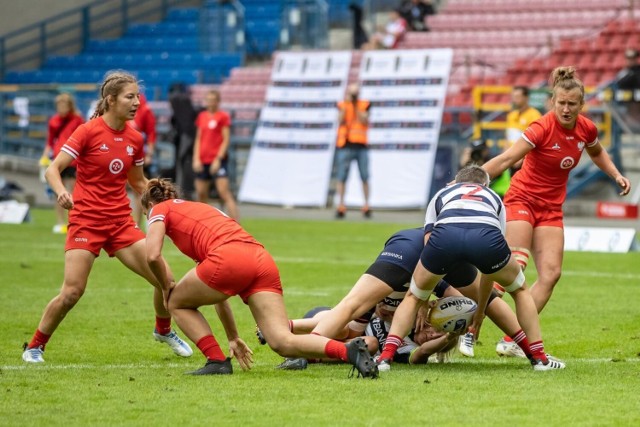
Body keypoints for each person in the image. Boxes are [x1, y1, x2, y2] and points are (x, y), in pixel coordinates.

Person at [22, 70, 192, 364]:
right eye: (130, 97)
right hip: (86, 221)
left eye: (138, 96)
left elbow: (137, 183)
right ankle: (35, 346)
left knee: (166, 279)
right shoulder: (87, 131)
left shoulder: (135, 138)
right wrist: (62, 191)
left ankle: (163, 330)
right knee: (73, 292)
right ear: (111, 100)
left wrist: (163, 204)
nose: (137, 102)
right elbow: (53, 169)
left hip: (120, 223)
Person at [141, 178, 378, 378]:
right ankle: (348, 352)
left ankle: (215, 361)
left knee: (175, 302)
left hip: (228, 257)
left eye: (145, 214)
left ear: (151, 205)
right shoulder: (199, 210)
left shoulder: (160, 209)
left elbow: (152, 255)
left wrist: (165, 287)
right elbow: (217, 295)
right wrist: (233, 337)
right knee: (282, 341)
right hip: (260, 258)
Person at [482, 66, 631, 357]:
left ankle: (512, 339)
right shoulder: (540, 127)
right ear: (552, 101)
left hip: (550, 208)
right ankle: (466, 319)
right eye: (561, 103)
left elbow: (597, 152)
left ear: (581, 105)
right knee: (514, 268)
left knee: (551, 274)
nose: (566, 108)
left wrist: (615, 174)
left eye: (572, 104)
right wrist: (471, 180)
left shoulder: (586, 128)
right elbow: (508, 158)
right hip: (522, 199)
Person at [376, 165, 565, 371]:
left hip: (444, 239)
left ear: (455, 182)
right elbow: (489, 269)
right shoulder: (493, 196)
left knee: (412, 297)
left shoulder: (441, 193)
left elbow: (429, 240)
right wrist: (480, 311)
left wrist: (423, 292)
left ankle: (385, 358)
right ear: (485, 184)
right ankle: (539, 359)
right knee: (520, 290)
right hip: (485, 237)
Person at [271, 226, 535, 362]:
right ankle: (536, 353)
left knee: (353, 315)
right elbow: (472, 304)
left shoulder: (412, 332)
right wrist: (428, 302)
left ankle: (301, 348)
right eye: (435, 331)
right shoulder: (432, 298)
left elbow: (464, 308)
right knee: (348, 313)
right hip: (442, 248)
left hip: (427, 244)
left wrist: (444, 321)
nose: (431, 332)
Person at [192, 89, 239, 220]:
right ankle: (203, 222)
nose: (210, 103)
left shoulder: (223, 117)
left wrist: (218, 159)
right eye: (208, 100)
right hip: (203, 160)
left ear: (218, 102)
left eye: (213, 100)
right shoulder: (202, 116)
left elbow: (226, 139)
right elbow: (198, 138)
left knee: (224, 192)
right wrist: (196, 158)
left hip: (217, 160)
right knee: (201, 193)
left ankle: (236, 224)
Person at [41, 93, 84, 234]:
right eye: (59, 105)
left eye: (64, 105)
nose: (61, 108)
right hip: (57, 158)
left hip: (73, 160)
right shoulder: (53, 121)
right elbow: (50, 141)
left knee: (73, 190)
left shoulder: (77, 120)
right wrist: (44, 156)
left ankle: (74, 221)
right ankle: (60, 222)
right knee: (58, 191)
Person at [335, 83, 371, 218]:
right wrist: (348, 104)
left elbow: (365, 120)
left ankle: (366, 205)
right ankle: (341, 205)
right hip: (345, 145)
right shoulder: (342, 104)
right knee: (342, 177)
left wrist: (355, 106)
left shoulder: (364, 105)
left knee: (365, 176)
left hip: (361, 146)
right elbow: (340, 120)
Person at [130, 93, 158, 225]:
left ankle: (144, 220)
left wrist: (150, 154)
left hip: (139, 155)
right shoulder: (123, 110)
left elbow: (151, 133)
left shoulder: (145, 111)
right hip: (126, 155)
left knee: (141, 190)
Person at [169, 82, 198, 199]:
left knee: (185, 165)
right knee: (182, 166)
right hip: (185, 140)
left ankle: (185, 192)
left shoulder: (180, 100)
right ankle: (184, 191)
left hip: (188, 141)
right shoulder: (185, 105)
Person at [505, 86, 542, 173]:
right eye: (513, 97)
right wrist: (505, 154)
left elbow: (535, 141)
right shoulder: (511, 115)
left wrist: (522, 158)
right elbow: (508, 137)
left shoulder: (535, 115)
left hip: (524, 161)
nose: (514, 100)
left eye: (517, 97)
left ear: (526, 98)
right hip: (510, 158)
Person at [614, 48, 640, 130]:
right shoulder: (624, 72)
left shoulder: (637, 71)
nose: (631, 60)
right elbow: (618, 83)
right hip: (625, 104)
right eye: (628, 58)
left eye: (633, 58)